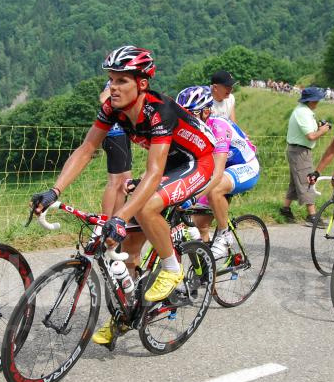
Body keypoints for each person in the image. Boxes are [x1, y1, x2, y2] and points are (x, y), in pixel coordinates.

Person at [29, 45, 216, 345]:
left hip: (197, 162)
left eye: (121, 81)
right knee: (127, 247)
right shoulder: (112, 109)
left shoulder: (159, 110)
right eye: (111, 80)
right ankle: (127, 316)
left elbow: (154, 172)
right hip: (169, 162)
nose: (112, 87)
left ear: (141, 83)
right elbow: (87, 148)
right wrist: (54, 191)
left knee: (145, 207)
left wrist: (119, 216)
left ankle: (172, 269)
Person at [175, 86, 259, 259]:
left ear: (206, 112)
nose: (186, 119)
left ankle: (224, 235)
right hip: (220, 171)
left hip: (245, 166)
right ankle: (206, 277)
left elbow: (218, 173)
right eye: (182, 114)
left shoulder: (218, 126)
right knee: (199, 225)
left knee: (215, 189)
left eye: (191, 114)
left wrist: (193, 197)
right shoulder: (191, 129)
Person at [280, 86, 332, 224]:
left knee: (295, 181)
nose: (318, 102)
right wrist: (323, 130)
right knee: (307, 180)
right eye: (317, 99)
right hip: (300, 151)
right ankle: (312, 215)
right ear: (312, 100)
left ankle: (285, 209)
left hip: (297, 150)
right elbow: (311, 135)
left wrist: (319, 127)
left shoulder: (303, 110)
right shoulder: (303, 112)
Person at [99, 81, 132, 220]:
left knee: (125, 180)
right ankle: (102, 222)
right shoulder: (115, 82)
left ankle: (116, 220)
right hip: (113, 134)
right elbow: (103, 98)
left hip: (125, 134)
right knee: (114, 181)